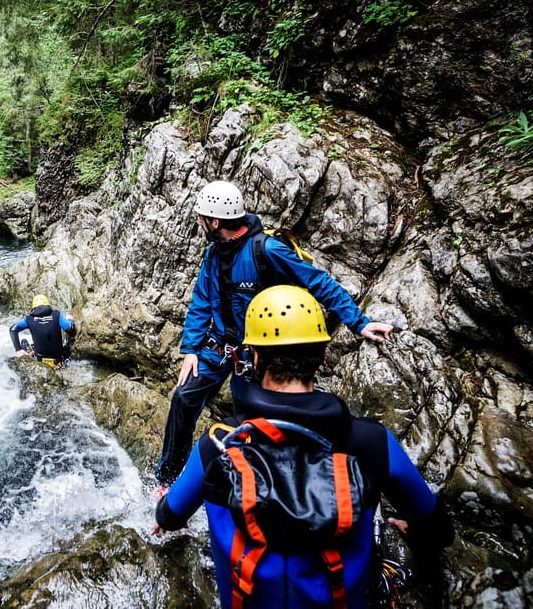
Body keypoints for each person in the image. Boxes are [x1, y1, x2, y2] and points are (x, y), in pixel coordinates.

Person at [154, 285, 454, 609]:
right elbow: (439, 531)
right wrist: (414, 529)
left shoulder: (220, 444)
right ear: (322, 354)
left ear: (254, 357)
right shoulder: (371, 443)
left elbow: (168, 516)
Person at [153, 179, 394, 487]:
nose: (198, 223)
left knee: (249, 416)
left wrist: (359, 322)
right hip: (220, 347)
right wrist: (190, 350)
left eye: (202, 218)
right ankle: (167, 479)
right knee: (184, 397)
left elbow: (318, 283)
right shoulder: (214, 254)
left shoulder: (267, 250)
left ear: (215, 222)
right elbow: (202, 301)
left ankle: (250, 482)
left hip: (258, 352)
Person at [9, 294, 76, 368]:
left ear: (33, 309)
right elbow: (70, 329)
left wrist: (18, 350)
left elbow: (12, 329)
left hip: (40, 362)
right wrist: (70, 319)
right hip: (58, 361)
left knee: (24, 342)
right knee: (67, 346)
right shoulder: (57, 315)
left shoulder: (28, 319)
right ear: (48, 306)